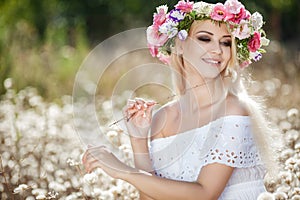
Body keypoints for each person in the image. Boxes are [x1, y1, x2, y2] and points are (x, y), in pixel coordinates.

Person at [82, 0, 280, 199]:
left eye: (226, 42)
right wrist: (138, 140)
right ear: (180, 46)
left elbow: (205, 195)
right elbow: (151, 197)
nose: (217, 50)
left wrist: (121, 171)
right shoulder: (163, 118)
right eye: (205, 39)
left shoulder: (233, 110)